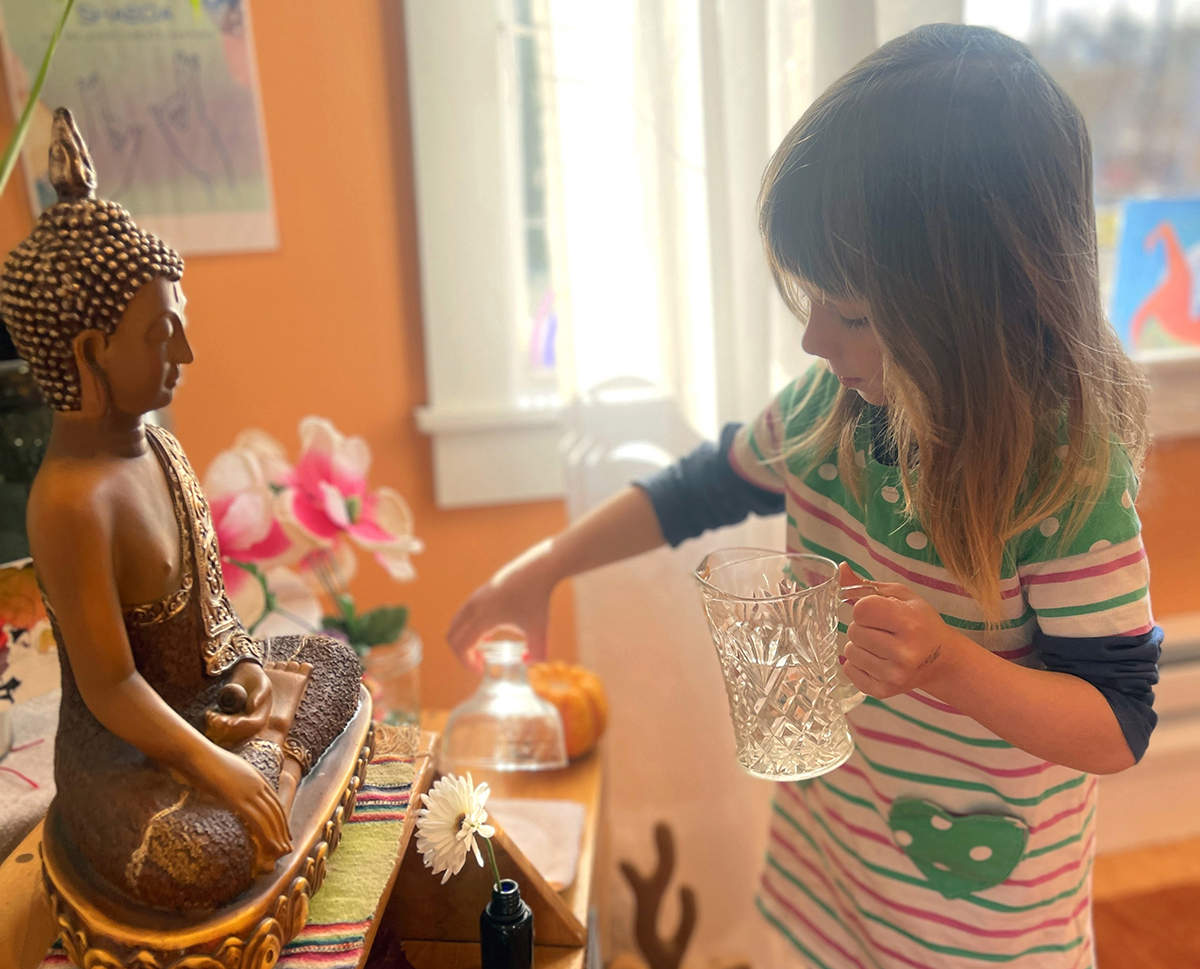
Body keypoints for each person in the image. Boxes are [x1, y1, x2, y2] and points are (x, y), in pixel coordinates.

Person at [448, 24, 1163, 969]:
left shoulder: (1065, 478)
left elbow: (1118, 722)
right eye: (813, 301)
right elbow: (700, 486)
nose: (813, 341)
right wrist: (543, 569)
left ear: (975, 312)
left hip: (982, 930)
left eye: (852, 313)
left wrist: (947, 662)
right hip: (829, 875)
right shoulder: (833, 410)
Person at [4, 109, 362, 912]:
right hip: (125, 760)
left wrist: (248, 676)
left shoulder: (160, 448)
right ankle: (271, 786)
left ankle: (271, 782)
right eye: (161, 335)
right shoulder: (70, 501)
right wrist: (220, 769)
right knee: (199, 855)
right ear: (91, 353)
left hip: (209, 705)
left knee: (334, 662)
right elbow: (113, 687)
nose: (185, 355)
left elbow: (214, 617)